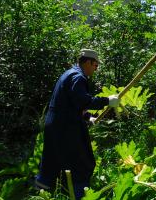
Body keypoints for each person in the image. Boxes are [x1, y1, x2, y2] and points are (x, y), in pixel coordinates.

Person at [35, 49, 120, 199]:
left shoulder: (69, 74)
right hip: (66, 127)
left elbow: (71, 103)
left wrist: (88, 117)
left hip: (56, 124)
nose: (96, 68)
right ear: (87, 62)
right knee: (83, 161)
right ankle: (80, 194)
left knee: (53, 159)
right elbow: (82, 100)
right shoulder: (78, 77)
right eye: (95, 65)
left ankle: (42, 191)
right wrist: (108, 100)